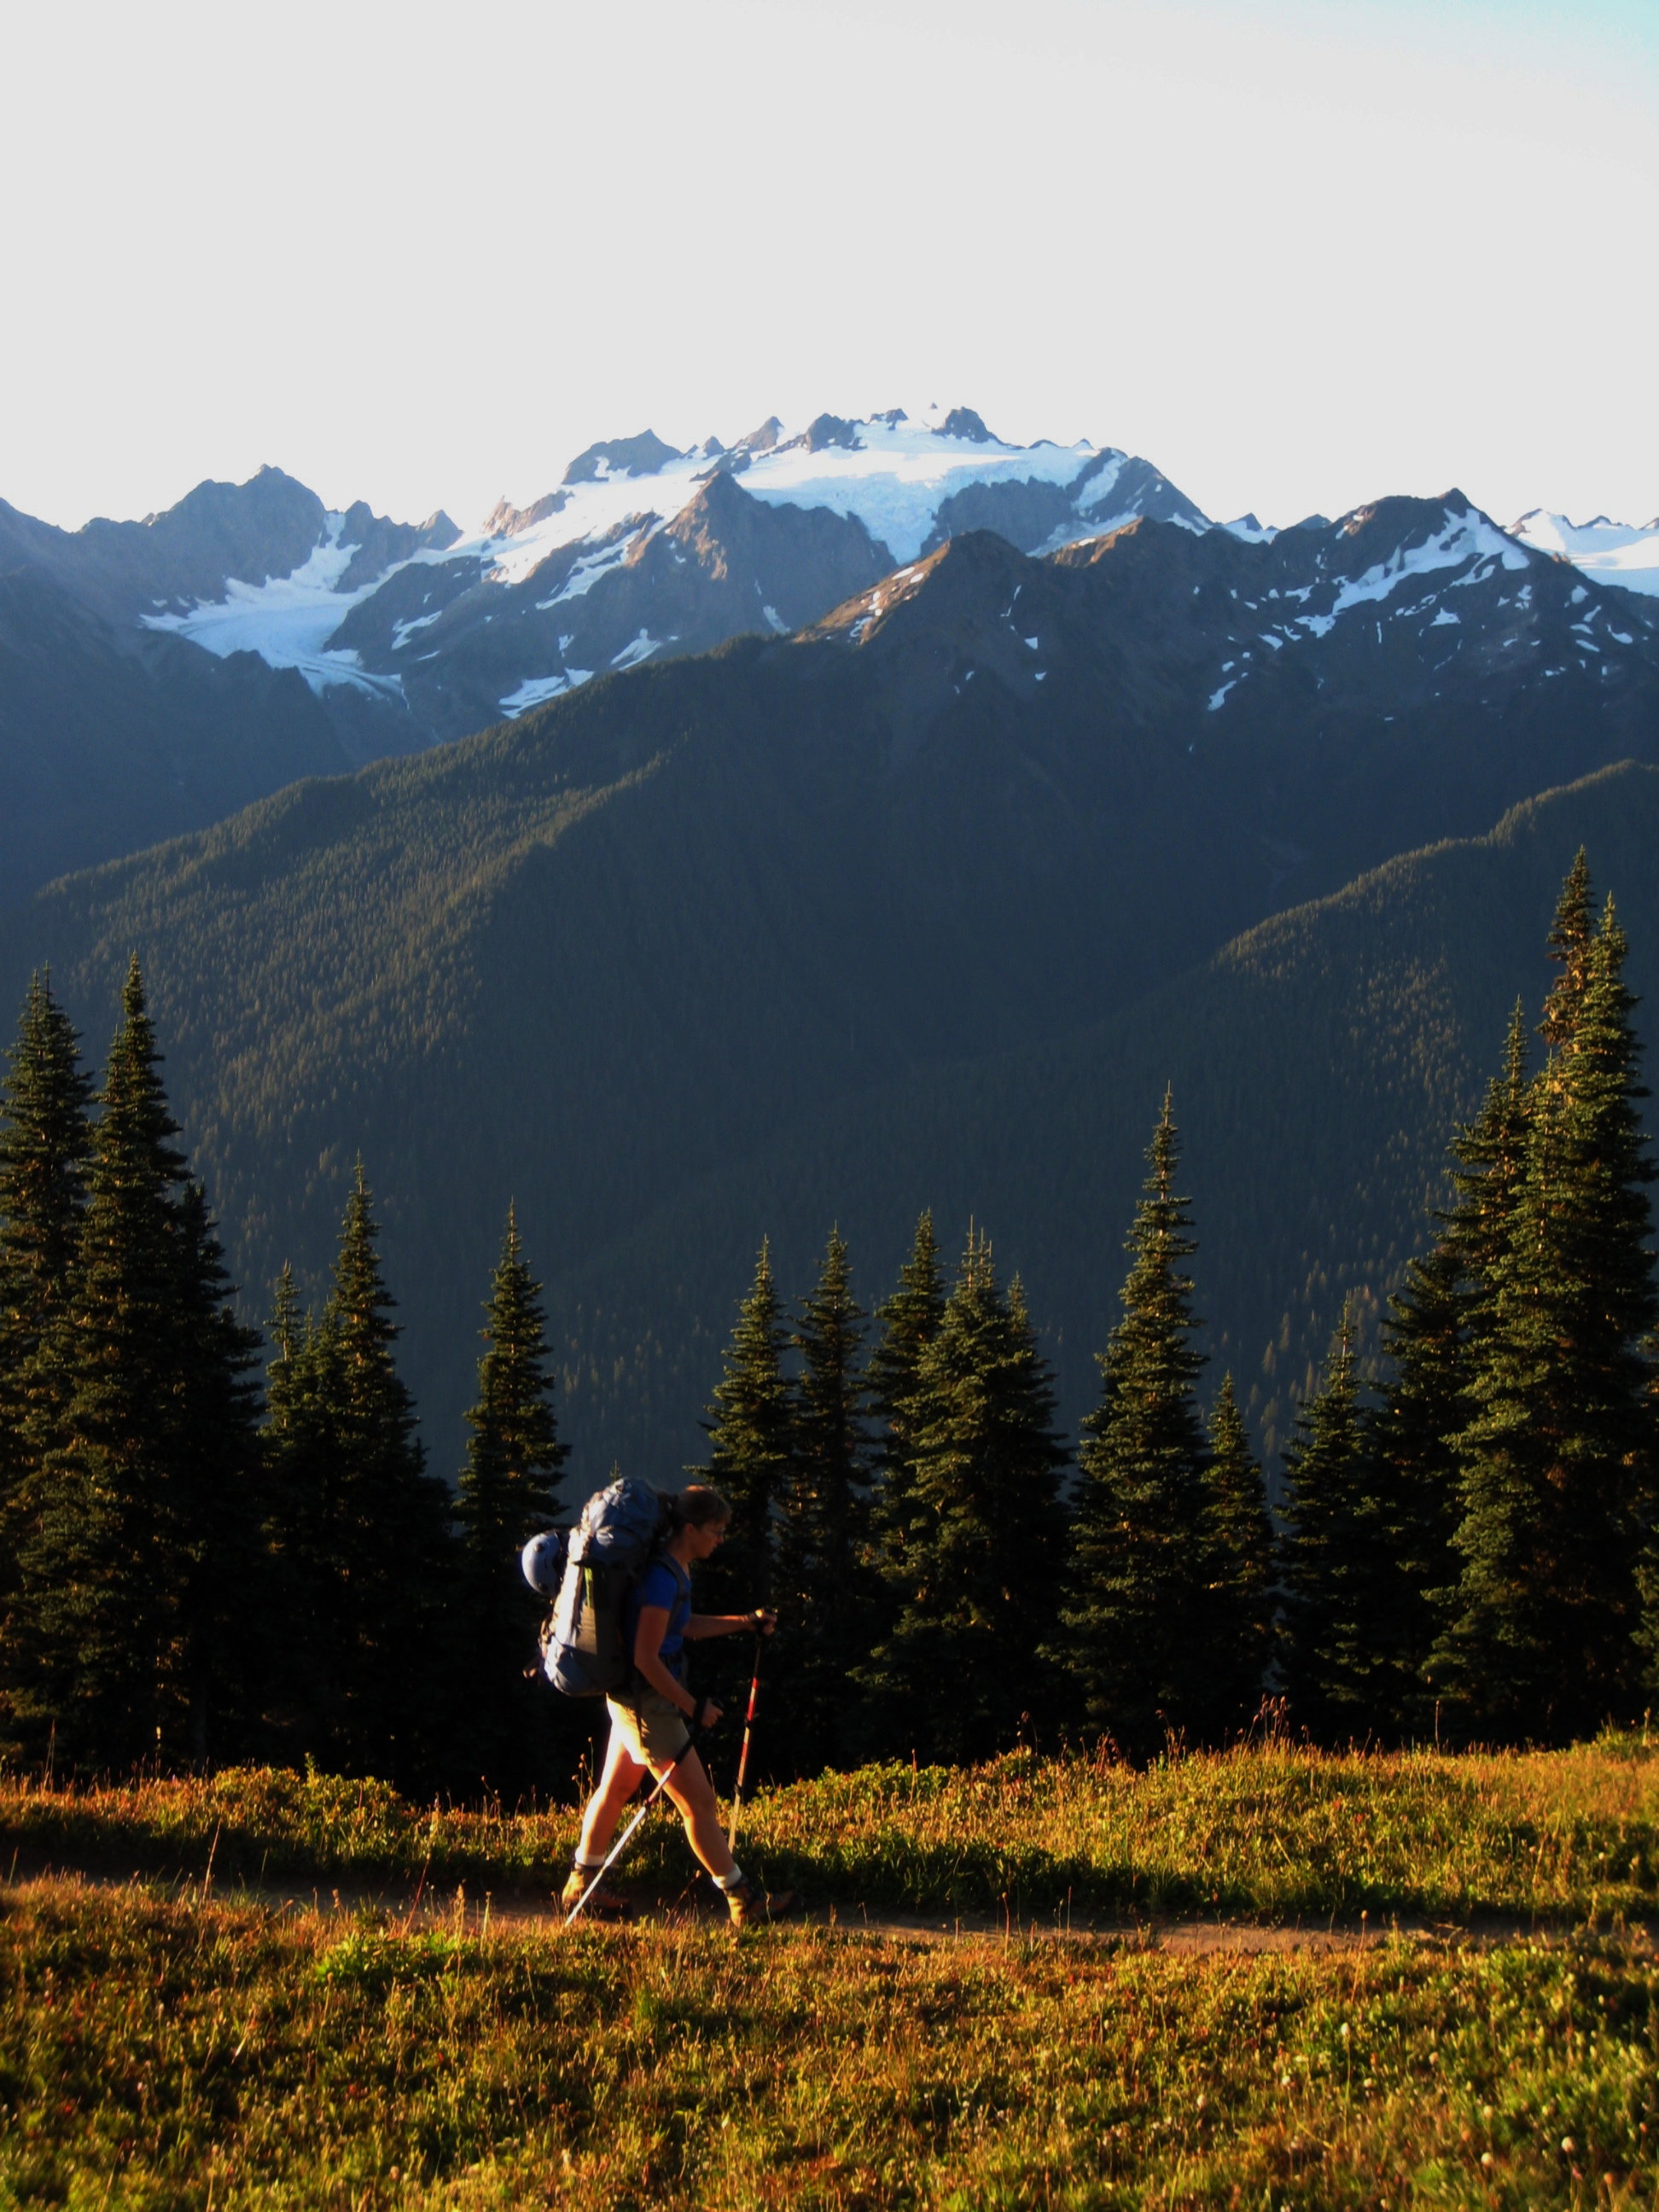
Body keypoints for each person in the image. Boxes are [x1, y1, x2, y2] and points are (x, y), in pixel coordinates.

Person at [562, 1484, 800, 1927]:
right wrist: (693, 1707)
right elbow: (646, 1657)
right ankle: (741, 1899)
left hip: (632, 1701)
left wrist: (743, 1623)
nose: (720, 1538)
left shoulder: (671, 1570)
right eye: (715, 1530)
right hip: (649, 1706)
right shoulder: (661, 1579)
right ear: (690, 1529)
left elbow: (681, 1626)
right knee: (699, 1805)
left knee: (614, 1790)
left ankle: (582, 1883)